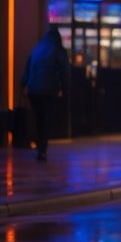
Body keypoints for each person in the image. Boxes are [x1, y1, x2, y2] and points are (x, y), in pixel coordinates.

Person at [21, 26, 70, 162]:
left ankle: (39, 147)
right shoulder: (57, 50)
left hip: (33, 90)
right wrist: (65, 89)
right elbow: (64, 71)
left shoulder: (37, 49)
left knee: (38, 118)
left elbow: (27, 67)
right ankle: (42, 150)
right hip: (49, 89)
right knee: (47, 119)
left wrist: (24, 84)